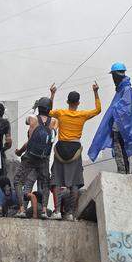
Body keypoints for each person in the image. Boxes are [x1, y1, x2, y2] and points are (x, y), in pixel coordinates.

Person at [49, 83, 101, 220]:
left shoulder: (61, 113)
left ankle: (57, 211)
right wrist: (95, 92)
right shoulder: (82, 115)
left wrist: (52, 94)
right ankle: (71, 213)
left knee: (57, 181)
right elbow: (98, 110)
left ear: (67, 102)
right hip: (75, 150)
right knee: (75, 182)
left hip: (60, 149)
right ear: (78, 103)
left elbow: (48, 111)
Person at [88, 63, 132, 174]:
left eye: (113, 76)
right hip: (120, 129)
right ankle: (124, 174)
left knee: (121, 156)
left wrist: (115, 109)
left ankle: (123, 175)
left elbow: (126, 110)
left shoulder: (127, 89)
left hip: (122, 129)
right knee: (121, 155)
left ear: (116, 75)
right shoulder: (122, 89)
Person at [14, 96, 56, 219]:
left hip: (30, 157)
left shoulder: (33, 119)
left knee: (18, 181)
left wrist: (20, 152)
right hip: (43, 158)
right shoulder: (54, 121)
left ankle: (21, 209)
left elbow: (27, 124)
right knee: (46, 183)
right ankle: (43, 210)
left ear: (39, 108)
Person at [0, 103, 12, 178]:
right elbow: (9, 142)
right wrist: (3, 149)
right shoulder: (5, 123)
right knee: (0, 179)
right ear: (3, 112)